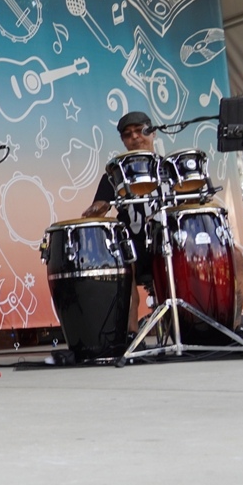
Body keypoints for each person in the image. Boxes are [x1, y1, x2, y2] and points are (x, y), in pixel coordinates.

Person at [83, 111, 159, 332]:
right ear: (123, 141)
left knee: (234, 258)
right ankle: (131, 336)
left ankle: (222, 330)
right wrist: (97, 209)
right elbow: (99, 207)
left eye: (140, 130)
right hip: (132, 245)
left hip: (169, 240)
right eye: (128, 134)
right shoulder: (114, 174)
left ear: (153, 133)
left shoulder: (169, 168)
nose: (134, 137)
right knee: (123, 260)